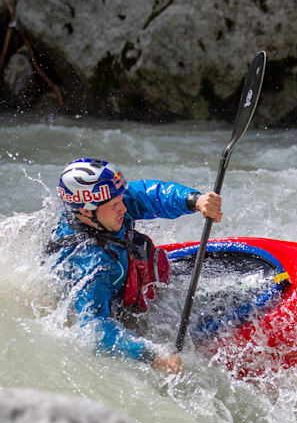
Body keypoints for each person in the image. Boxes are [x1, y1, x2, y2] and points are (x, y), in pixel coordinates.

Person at [47, 158, 222, 374]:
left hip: (126, 281)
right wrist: (152, 355)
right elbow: (92, 330)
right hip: (117, 312)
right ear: (84, 211)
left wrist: (194, 200)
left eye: (120, 199)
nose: (123, 207)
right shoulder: (91, 266)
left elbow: (150, 195)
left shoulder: (103, 207)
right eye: (114, 205)